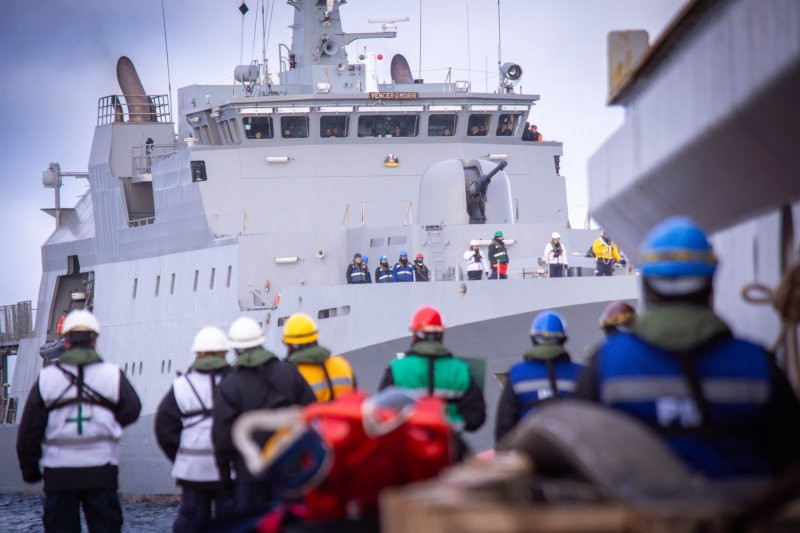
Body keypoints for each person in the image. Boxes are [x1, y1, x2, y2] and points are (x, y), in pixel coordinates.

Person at [574, 216, 800, 479]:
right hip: (745, 515)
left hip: (636, 515)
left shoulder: (607, 365)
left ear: (646, 284)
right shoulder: (757, 364)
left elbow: (574, 453)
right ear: (711, 284)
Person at [17, 309, 141, 533]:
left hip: (59, 474)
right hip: (100, 471)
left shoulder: (47, 379)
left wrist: (31, 472)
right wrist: (110, 425)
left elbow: (29, 432)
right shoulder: (112, 374)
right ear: (94, 341)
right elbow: (133, 408)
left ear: (65, 342)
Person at [212, 317, 316, 515]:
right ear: (261, 341)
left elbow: (222, 438)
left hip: (250, 476)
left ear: (234, 349)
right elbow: (312, 414)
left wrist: (225, 482)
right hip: (291, 472)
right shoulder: (290, 372)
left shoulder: (229, 384)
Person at [155, 326, 233, 532]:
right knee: (234, 523)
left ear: (196, 354)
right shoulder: (235, 382)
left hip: (193, 472)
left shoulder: (182, 385)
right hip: (229, 469)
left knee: (192, 523)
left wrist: (182, 457)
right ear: (225, 352)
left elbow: (164, 428)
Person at [378, 307, 486, 454]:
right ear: (441, 335)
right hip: (448, 449)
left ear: (415, 335)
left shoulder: (397, 368)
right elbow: (476, 417)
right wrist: (452, 426)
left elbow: (380, 413)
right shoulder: (460, 370)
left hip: (407, 450)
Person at [495, 311, 583, 443]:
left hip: (528, 450)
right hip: (568, 450)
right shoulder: (580, 373)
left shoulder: (517, 374)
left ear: (533, 339)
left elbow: (504, 424)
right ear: (563, 339)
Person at [283, 313, 356, 402]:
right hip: (345, 414)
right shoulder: (342, 364)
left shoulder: (292, 375)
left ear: (290, 345)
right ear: (315, 337)